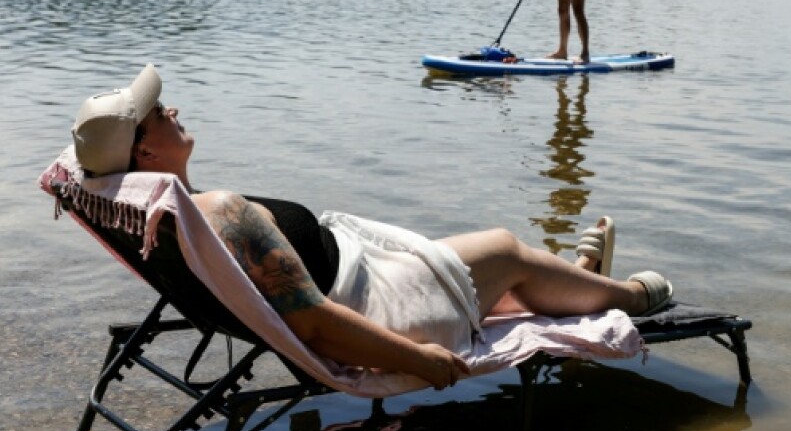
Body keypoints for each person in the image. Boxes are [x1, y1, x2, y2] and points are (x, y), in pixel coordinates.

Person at [70, 65, 672, 391]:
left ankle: (574, 281)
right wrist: (422, 360)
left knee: (482, 256)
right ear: (145, 155)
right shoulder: (219, 214)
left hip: (371, 276)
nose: (172, 109)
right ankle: (628, 297)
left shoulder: (156, 213)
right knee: (506, 250)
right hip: (381, 313)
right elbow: (316, 327)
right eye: (158, 113)